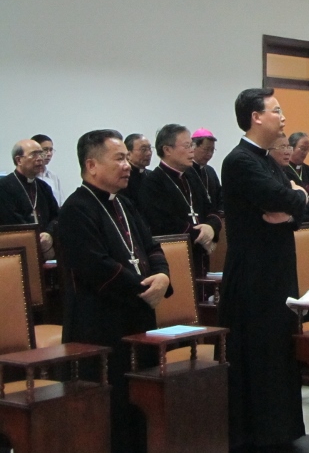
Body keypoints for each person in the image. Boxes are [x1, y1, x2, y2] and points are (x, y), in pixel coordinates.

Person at [57, 129, 171, 453]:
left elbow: (150, 246)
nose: (127, 166)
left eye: (126, 158)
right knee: (111, 409)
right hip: (99, 325)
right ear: (92, 165)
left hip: (138, 316)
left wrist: (162, 276)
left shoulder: (126, 204)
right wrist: (145, 288)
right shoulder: (76, 210)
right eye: (119, 159)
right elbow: (95, 267)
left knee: (141, 402)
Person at [218, 88, 309, 452]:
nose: (283, 118)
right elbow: (282, 199)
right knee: (259, 356)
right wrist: (294, 198)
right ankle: (259, 437)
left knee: (280, 354)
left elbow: (295, 207)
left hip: (277, 272)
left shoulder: (269, 160)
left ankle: (281, 432)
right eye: (276, 110)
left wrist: (294, 201)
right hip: (253, 277)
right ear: (256, 117)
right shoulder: (240, 161)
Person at [138, 124, 222, 277]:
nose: (192, 150)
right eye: (187, 145)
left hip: (200, 253)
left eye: (192, 145)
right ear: (167, 150)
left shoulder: (191, 175)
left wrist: (211, 228)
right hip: (175, 258)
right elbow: (164, 223)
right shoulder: (153, 182)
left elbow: (211, 208)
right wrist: (202, 236)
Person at [0, 139, 59, 259]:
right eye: (34, 154)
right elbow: (11, 220)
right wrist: (35, 236)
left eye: (41, 153)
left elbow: (57, 216)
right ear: (19, 160)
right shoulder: (4, 186)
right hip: (17, 251)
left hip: (45, 248)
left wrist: (49, 233)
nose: (40, 158)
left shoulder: (43, 187)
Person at [191, 128, 224, 215]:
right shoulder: (185, 171)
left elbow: (220, 196)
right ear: (193, 147)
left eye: (212, 150)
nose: (209, 154)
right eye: (206, 149)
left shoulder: (210, 171)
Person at [31, 133, 63, 205]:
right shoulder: (28, 176)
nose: (49, 154)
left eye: (51, 150)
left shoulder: (53, 176)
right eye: (45, 150)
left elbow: (60, 202)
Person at [121, 133, 153, 205]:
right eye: (143, 149)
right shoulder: (122, 178)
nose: (149, 153)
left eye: (150, 149)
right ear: (128, 154)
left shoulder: (152, 176)